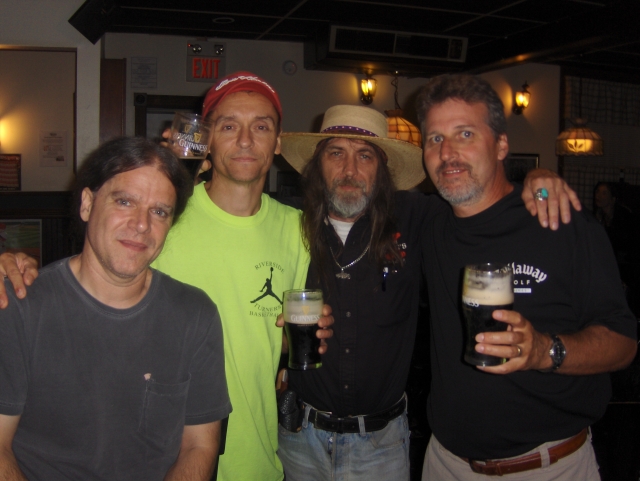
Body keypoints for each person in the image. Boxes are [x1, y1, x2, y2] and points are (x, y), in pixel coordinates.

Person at [275, 104, 583, 481]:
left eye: (365, 156)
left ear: (383, 170)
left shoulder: (417, 216)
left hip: (381, 446)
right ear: (316, 165)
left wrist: (539, 175)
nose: (349, 170)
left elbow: (484, 196)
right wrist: (281, 347)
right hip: (298, 439)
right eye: (336, 153)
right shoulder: (287, 225)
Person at [416, 74, 637, 480]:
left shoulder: (561, 222)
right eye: (434, 138)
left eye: (465, 133)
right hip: (445, 463)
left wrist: (543, 351)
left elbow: (623, 344)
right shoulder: (429, 226)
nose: (447, 152)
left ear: (501, 145)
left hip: (548, 467)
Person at [0, 137, 231, 480]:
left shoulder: (195, 314)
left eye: (159, 211)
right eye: (125, 201)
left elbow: (199, 446)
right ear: (87, 205)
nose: (141, 224)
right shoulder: (20, 304)